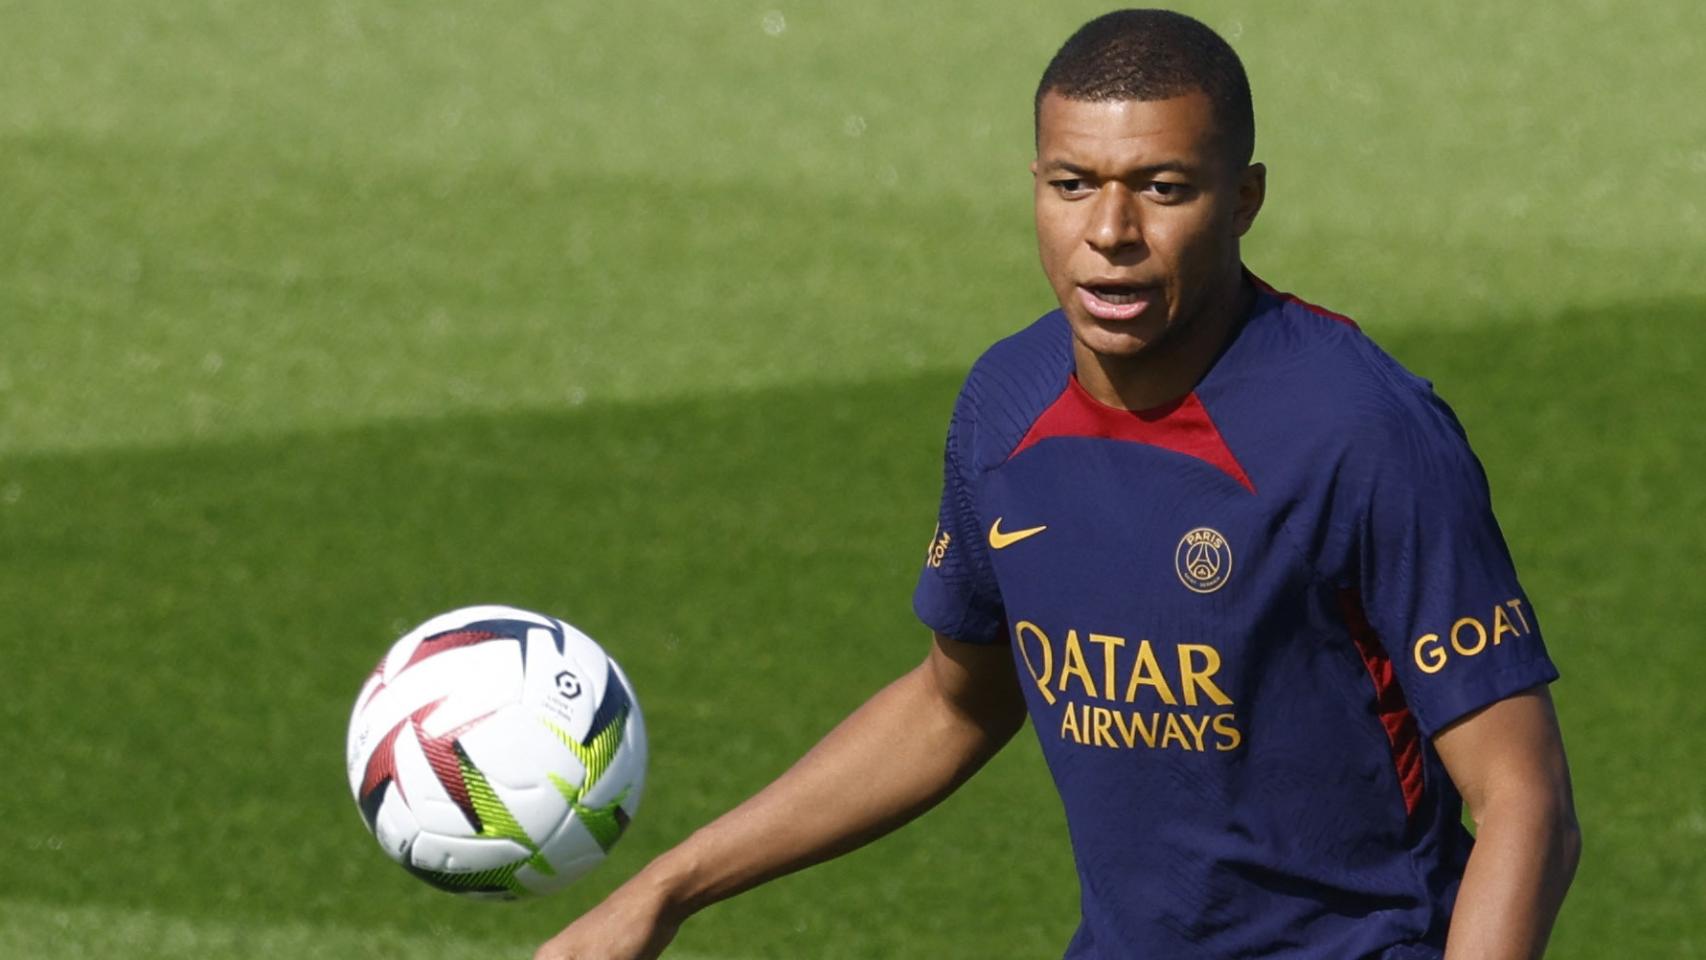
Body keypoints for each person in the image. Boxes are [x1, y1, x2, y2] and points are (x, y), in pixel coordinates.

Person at [535, 9, 1580, 959]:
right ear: (1033, 185)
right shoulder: (1006, 405)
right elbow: (954, 702)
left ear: (1243, 200)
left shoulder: (1359, 429)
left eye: (1162, 188)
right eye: (1072, 184)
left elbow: (1523, 800)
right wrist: (666, 890)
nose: (1110, 232)